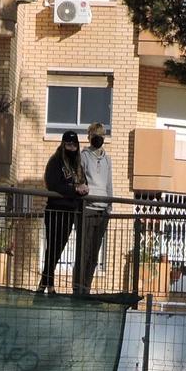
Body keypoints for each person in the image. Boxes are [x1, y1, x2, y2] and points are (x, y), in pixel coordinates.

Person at [36, 130, 85, 294]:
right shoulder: (55, 161)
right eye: (68, 144)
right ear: (63, 145)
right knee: (53, 248)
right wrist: (75, 189)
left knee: (58, 249)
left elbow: (82, 182)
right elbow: (53, 185)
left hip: (70, 212)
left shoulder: (76, 165)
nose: (72, 148)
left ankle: (45, 284)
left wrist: (82, 188)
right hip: (56, 210)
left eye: (74, 145)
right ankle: (47, 285)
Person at [74, 121, 113, 296]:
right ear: (89, 137)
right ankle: (78, 290)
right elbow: (79, 178)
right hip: (87, 208)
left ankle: (87, 289)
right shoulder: (83, 156)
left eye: (101, 135)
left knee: (94, 255)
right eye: (94, 135)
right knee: (83, 252)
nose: (98, 139)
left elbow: (109, 182)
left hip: (103, 209)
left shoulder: (107, 158)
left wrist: (110, 206)